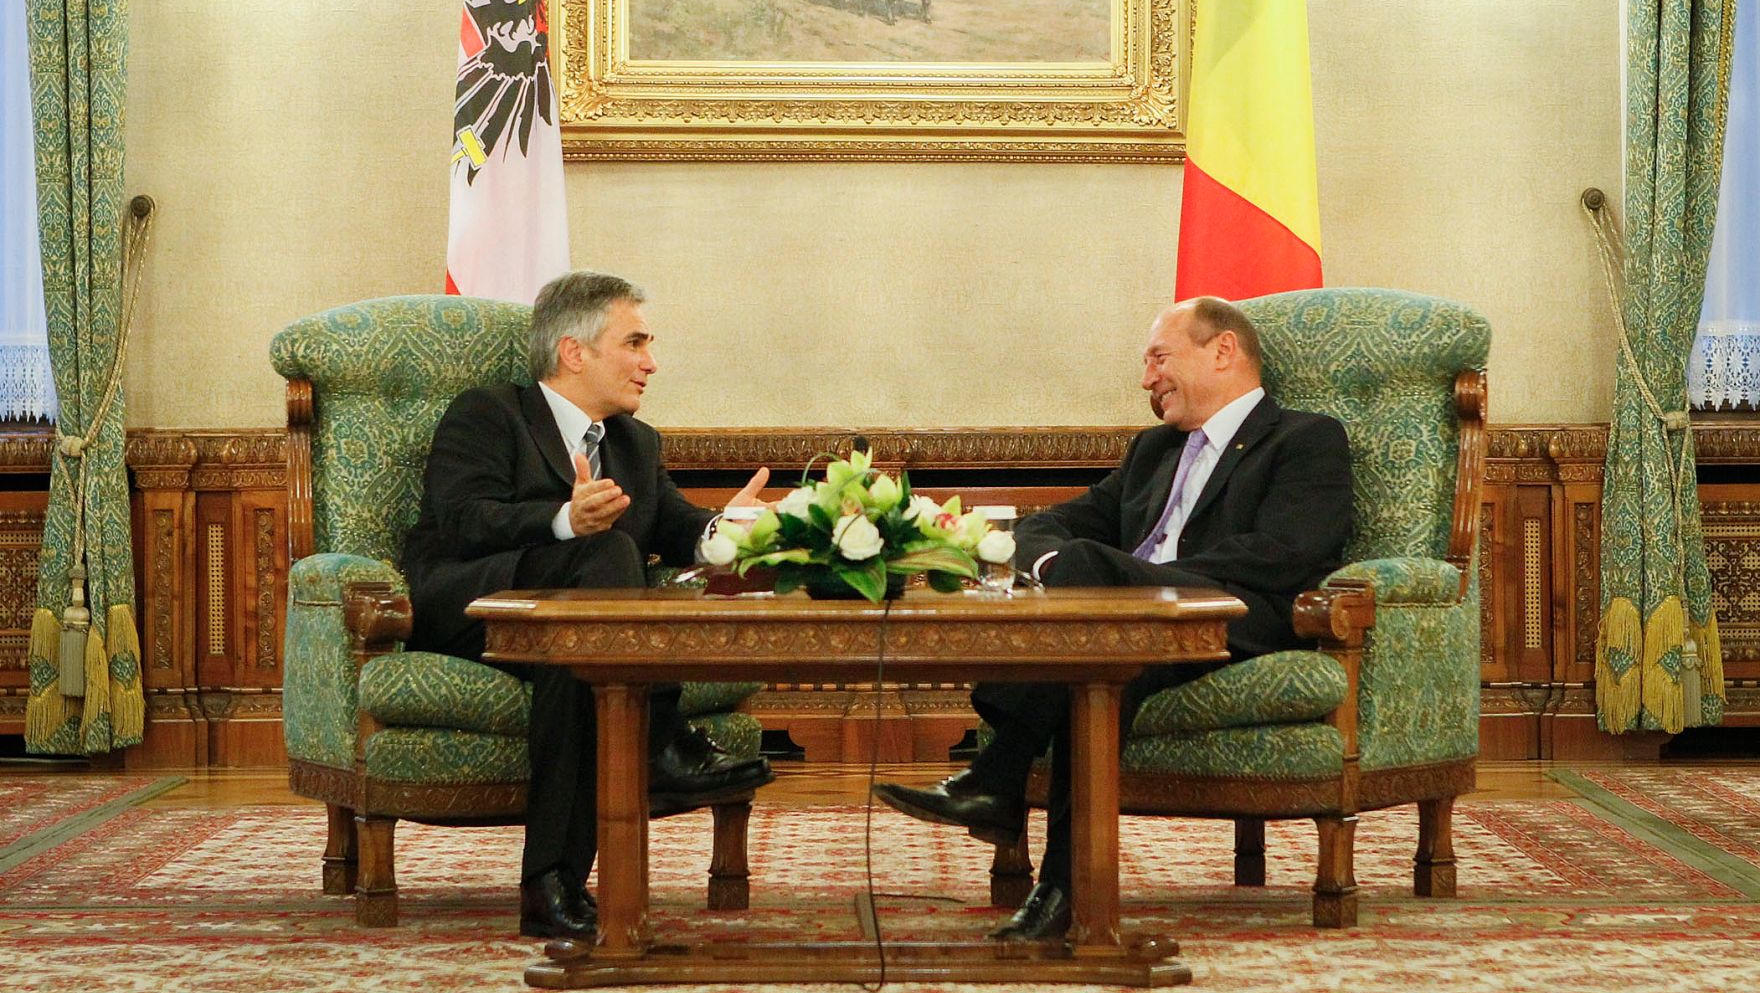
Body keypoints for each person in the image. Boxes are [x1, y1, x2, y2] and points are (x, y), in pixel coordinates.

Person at [873, 296, 1353, 942]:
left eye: (1158, 357)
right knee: (1095, 670)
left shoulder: (1305, 437)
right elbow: (1053, 524)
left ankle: (999, 774)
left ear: (1223, 351)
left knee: (1094, 584)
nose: (1146, 379)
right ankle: (1061, 892)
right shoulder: (1153, 450)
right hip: (1127, 626)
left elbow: (1287, 550)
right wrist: (1064, 568)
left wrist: (1131, 578)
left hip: (1234, 617)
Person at [402, 270, 776, 941]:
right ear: (574, 351)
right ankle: (659, 733)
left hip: (572, 626)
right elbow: (461, 520)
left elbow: (676, 526)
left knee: (584, 655)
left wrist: (727, 527)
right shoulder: (489, 413)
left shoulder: (634, 443)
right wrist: (562, 520)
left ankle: (552, 885)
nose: (651, 361)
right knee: (605, 558)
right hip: (473, 607)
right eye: (635, 341)